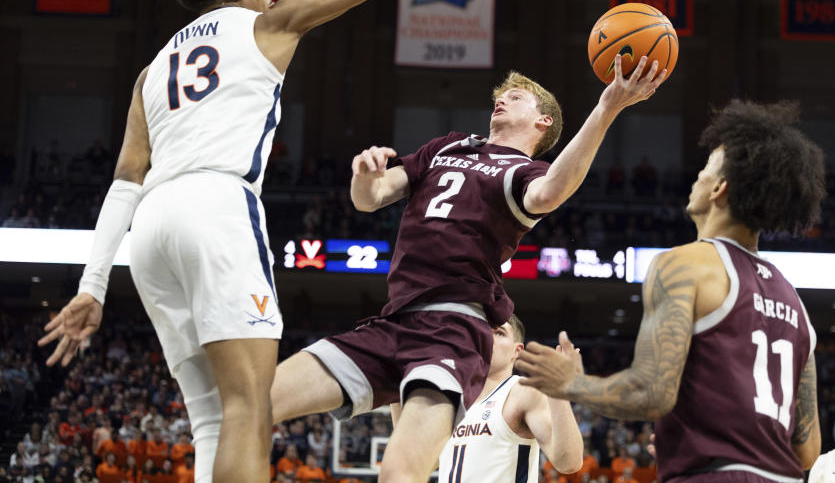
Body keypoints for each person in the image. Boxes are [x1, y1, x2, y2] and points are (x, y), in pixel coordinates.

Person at [36, 0, 551, 483]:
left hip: (148, 235)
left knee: (212, 419)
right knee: (250, 407)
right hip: (216, 208)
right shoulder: (267, 25)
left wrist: (92, 286)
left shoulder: (151, 71)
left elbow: (124, 180)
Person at [270, 52, 666, 483]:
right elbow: (371, 198)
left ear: (543, 122)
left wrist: (607, 107)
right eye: (500, 95)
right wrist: (363, 175)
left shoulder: (523, 172)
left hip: (452, 327)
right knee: (254, 403)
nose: (501, 100)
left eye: (516, 98)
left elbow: (551, 192)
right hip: (393, 321)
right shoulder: (449, 145)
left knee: (399, 474)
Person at [517, 100, 827, 483]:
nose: (695, 178)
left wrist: (570, 384)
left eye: (704, 169)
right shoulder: (794, 301)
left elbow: (651, 392)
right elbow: (807, 449)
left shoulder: (685, 265)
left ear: (719, 188)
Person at [437, 314, 583, 482]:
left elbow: (569, 462)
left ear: (517, 350)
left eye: (499, 333)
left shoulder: (523, 391)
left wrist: (559, 390)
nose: (487, 336)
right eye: (482, 330)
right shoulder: (452, 401)